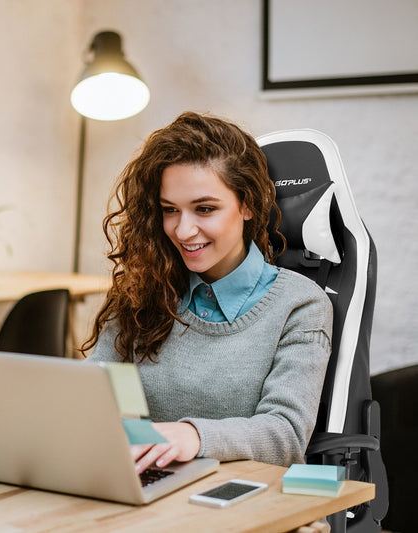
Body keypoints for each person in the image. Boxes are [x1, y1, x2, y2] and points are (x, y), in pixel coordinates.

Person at [84, 111, 332, 477]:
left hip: (245, 502)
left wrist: (192, 435)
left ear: (248, 205)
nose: (184, 231)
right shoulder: (145, 290)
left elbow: (285, 434)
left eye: (205, 209)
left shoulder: (300, 305)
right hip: (149, 488)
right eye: (170, 210)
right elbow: (92, 393)